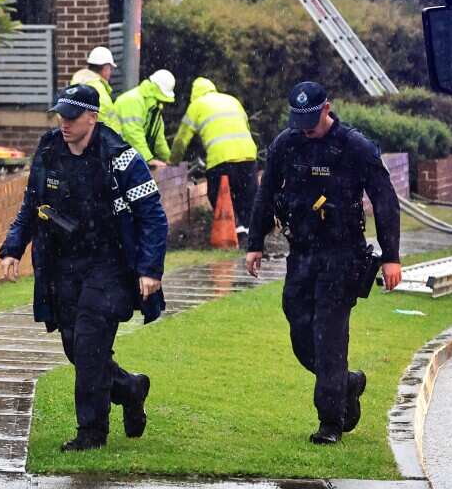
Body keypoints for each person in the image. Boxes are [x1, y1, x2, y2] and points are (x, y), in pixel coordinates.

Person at [0, 84, 168, 451]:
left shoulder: (121, 158)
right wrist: (13, 247)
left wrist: (150, 270)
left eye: (72, 117)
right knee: (76, 346)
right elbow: (32, 204)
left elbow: (152, 216)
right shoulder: (48, 150)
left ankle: (91, 432)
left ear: (92, 117)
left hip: (109, 262)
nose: (64, 123)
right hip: (62, 264)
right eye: (61, 115)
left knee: (90, 342)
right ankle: (129, 387)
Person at [245, 81, 402, 445]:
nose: (307, 127)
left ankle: (330, 422)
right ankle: (346, 382)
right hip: (302, 253)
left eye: (312, 120)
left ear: (327, 108)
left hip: (341, 254)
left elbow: (385, 200)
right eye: (300, 120)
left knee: (329, 337)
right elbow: (266, 194)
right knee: (301, 332)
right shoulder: (287, 143)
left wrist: (391, 257)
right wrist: (254, 244)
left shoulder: (354, 147)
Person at [167, 77, 259, 245]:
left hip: (221, 159)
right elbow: (244, 125)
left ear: (194, 94)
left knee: (216, 195)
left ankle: (235, 231)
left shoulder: (196, 106)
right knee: (247, 196)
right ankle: (249, 234)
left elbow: (181, 139)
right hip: (248, 155)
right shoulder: (231, 100)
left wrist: (173, 161)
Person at [104, 69, 175, 169]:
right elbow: (133, 134)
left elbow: (159, 139)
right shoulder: (132, 100)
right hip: (115, 157)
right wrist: (148, 159)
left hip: (127, 156)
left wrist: (169, 159)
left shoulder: (153, 107)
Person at [70, 46, 117, 112]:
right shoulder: (99, 91)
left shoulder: (76, 82)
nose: (110, 72)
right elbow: (108, 118)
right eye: (110, 69)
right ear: (105, 68)